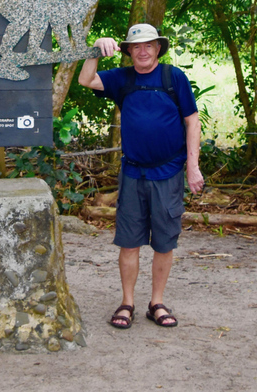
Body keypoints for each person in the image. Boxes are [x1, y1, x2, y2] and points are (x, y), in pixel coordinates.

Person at [78, 23, 204, 330]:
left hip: (169, 171)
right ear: (128, 51)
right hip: (133, 172)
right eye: (136, 47)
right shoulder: (122, 79)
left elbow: (192, 121)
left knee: (164, 242)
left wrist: (193, 165)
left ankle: (156, 302)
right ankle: (127, 302)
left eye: (149, 45)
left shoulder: (173, 78)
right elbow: (86, 79)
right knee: (129, 242)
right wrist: (96, 48)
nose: (143, 51)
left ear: (158, 48)